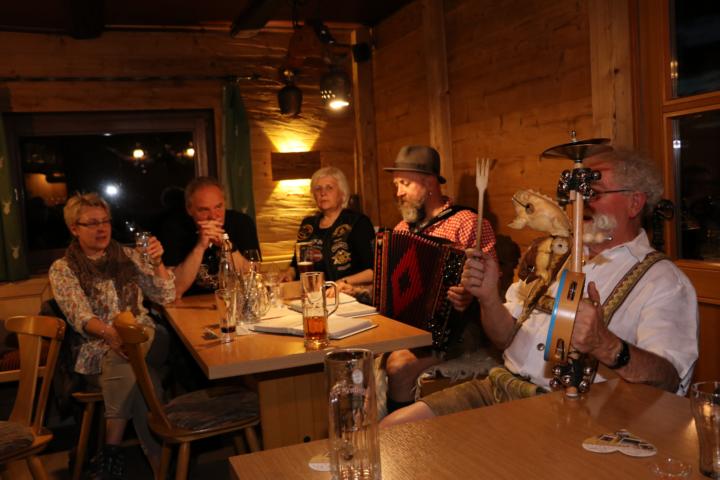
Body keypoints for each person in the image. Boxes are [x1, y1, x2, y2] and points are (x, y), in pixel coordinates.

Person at [381, 148, 699, 428]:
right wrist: (489, 298)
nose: (580, 203)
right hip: (499, 389)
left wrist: (606, 345)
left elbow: (669, 381)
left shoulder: (663, 281)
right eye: (575, 194)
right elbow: (504, 338)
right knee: (393, 429)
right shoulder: (553, 255)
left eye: (593, 193)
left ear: (634, 203)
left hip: (569, 413)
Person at [49, 193, 175, 478]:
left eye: (105, 221)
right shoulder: (63, 269)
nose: (101, 228)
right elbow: (80, 316)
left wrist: (158, 262)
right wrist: (110, 334)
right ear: (74, 228)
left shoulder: (128, 256)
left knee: (131, 346)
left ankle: (110, 449)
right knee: (144, 381)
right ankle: (161, 469)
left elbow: (165, 296)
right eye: (92, 223)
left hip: (146, 336)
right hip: (98, 350)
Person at [382, 145, 498, 413]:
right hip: (412, 327)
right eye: (396, 184)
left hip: (461, 328)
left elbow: (491, 282)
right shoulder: (402, 229)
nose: (398, 192)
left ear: (429, 183)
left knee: (398, 365)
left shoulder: (467, 222)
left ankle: (400, 432)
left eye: (405, 183)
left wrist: (469, 293)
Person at [159, 177, 260, 298]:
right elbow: (175, 290)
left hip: (233, 302)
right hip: (190, 304)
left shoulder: (242, 223)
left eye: (218, 207)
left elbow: (253, 279)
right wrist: (200, 247)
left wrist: (227, 246)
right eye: (204, 210)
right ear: (189, 209)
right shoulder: (173, 229)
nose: (213, 216)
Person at [282, 166, 375, 294]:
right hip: (313, 295)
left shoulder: (358, 223)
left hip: (349, 295)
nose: (323, 193)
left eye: (329, 188)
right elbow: (296, 264)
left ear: (342, 193)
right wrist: (289, 274)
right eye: (318, 188)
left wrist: (342, 283)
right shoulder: (308, 225)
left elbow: (373, 271)